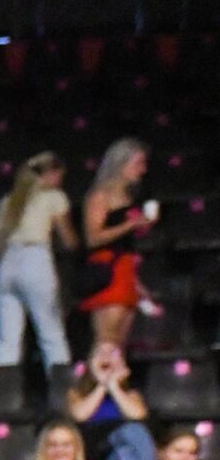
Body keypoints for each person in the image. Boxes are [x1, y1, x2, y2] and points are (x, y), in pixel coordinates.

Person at [0, 151, 77, 372]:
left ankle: (3, 388)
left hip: (7, 263)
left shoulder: (8, 201)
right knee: (51, 332)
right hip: (35, 259)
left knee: (7, 337)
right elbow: (68, 239)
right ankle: (61, 388)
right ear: (51, 173)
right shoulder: (53, 197)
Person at [77, 137, 155, 352]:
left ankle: (112, 384)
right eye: (138, 163)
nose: (143, 170)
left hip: (126, 268)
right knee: (106, 341)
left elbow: (126, 245)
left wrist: (137, 284)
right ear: (122, 163)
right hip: (108, 269)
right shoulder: (100, 195)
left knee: (119, 345)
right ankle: (92, 385)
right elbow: (93, 237)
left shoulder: (130, 198)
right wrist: (130, 225)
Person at [65, 340, 156, 460]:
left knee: (125, 449)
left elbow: (137, 416)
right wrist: (102, 384)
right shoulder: (77, 393)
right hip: (94, 446)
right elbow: (80, 416)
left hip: (118, 454)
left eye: (113, 353)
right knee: (130, 433)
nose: (106, 357)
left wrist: (114, 386)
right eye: (100, 352)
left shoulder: (131, 394)